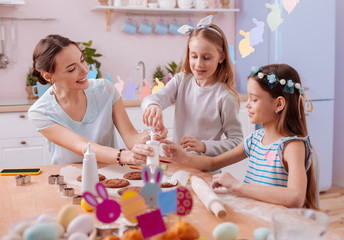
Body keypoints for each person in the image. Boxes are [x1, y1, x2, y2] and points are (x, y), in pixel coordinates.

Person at [163, 64, 318, 209]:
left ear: (279, 104)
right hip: (253, 215)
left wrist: (237, 186)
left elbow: (295, 197)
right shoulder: (255, 139)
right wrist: (183, 157)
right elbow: (213, 163)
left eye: (254, 99)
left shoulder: (292, 146)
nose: (247, 104)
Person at [28, 34, 166, 165]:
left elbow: (131, 138)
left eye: (82, 60)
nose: (84, 70)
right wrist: (125, 156)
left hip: (109, 174)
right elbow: (82, 146)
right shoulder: (40, 112)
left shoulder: (105, 90)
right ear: (48, 76)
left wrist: (151, 137)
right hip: (67, 178)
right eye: (71, 69)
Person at [141, 15, 243, 156]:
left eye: (206, 58)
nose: (199, 64)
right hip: (177, 165)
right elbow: (153, 98)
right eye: (194, 56)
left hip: (205, 171)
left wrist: (203, 146)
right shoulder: (181, 81)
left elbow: (236, 141)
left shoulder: (225, 97)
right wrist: (153, 106)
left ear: (221, 57)